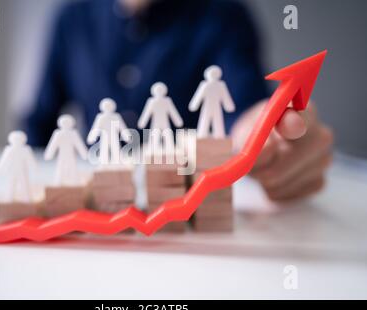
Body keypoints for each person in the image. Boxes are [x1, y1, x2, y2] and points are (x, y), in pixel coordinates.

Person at [23, 0, 333, 202]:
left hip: (184, 185)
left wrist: (259, 131)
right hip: (104, 177)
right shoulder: (71, 18)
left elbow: (242, 108)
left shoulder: (224, 16)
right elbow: (41, 120)